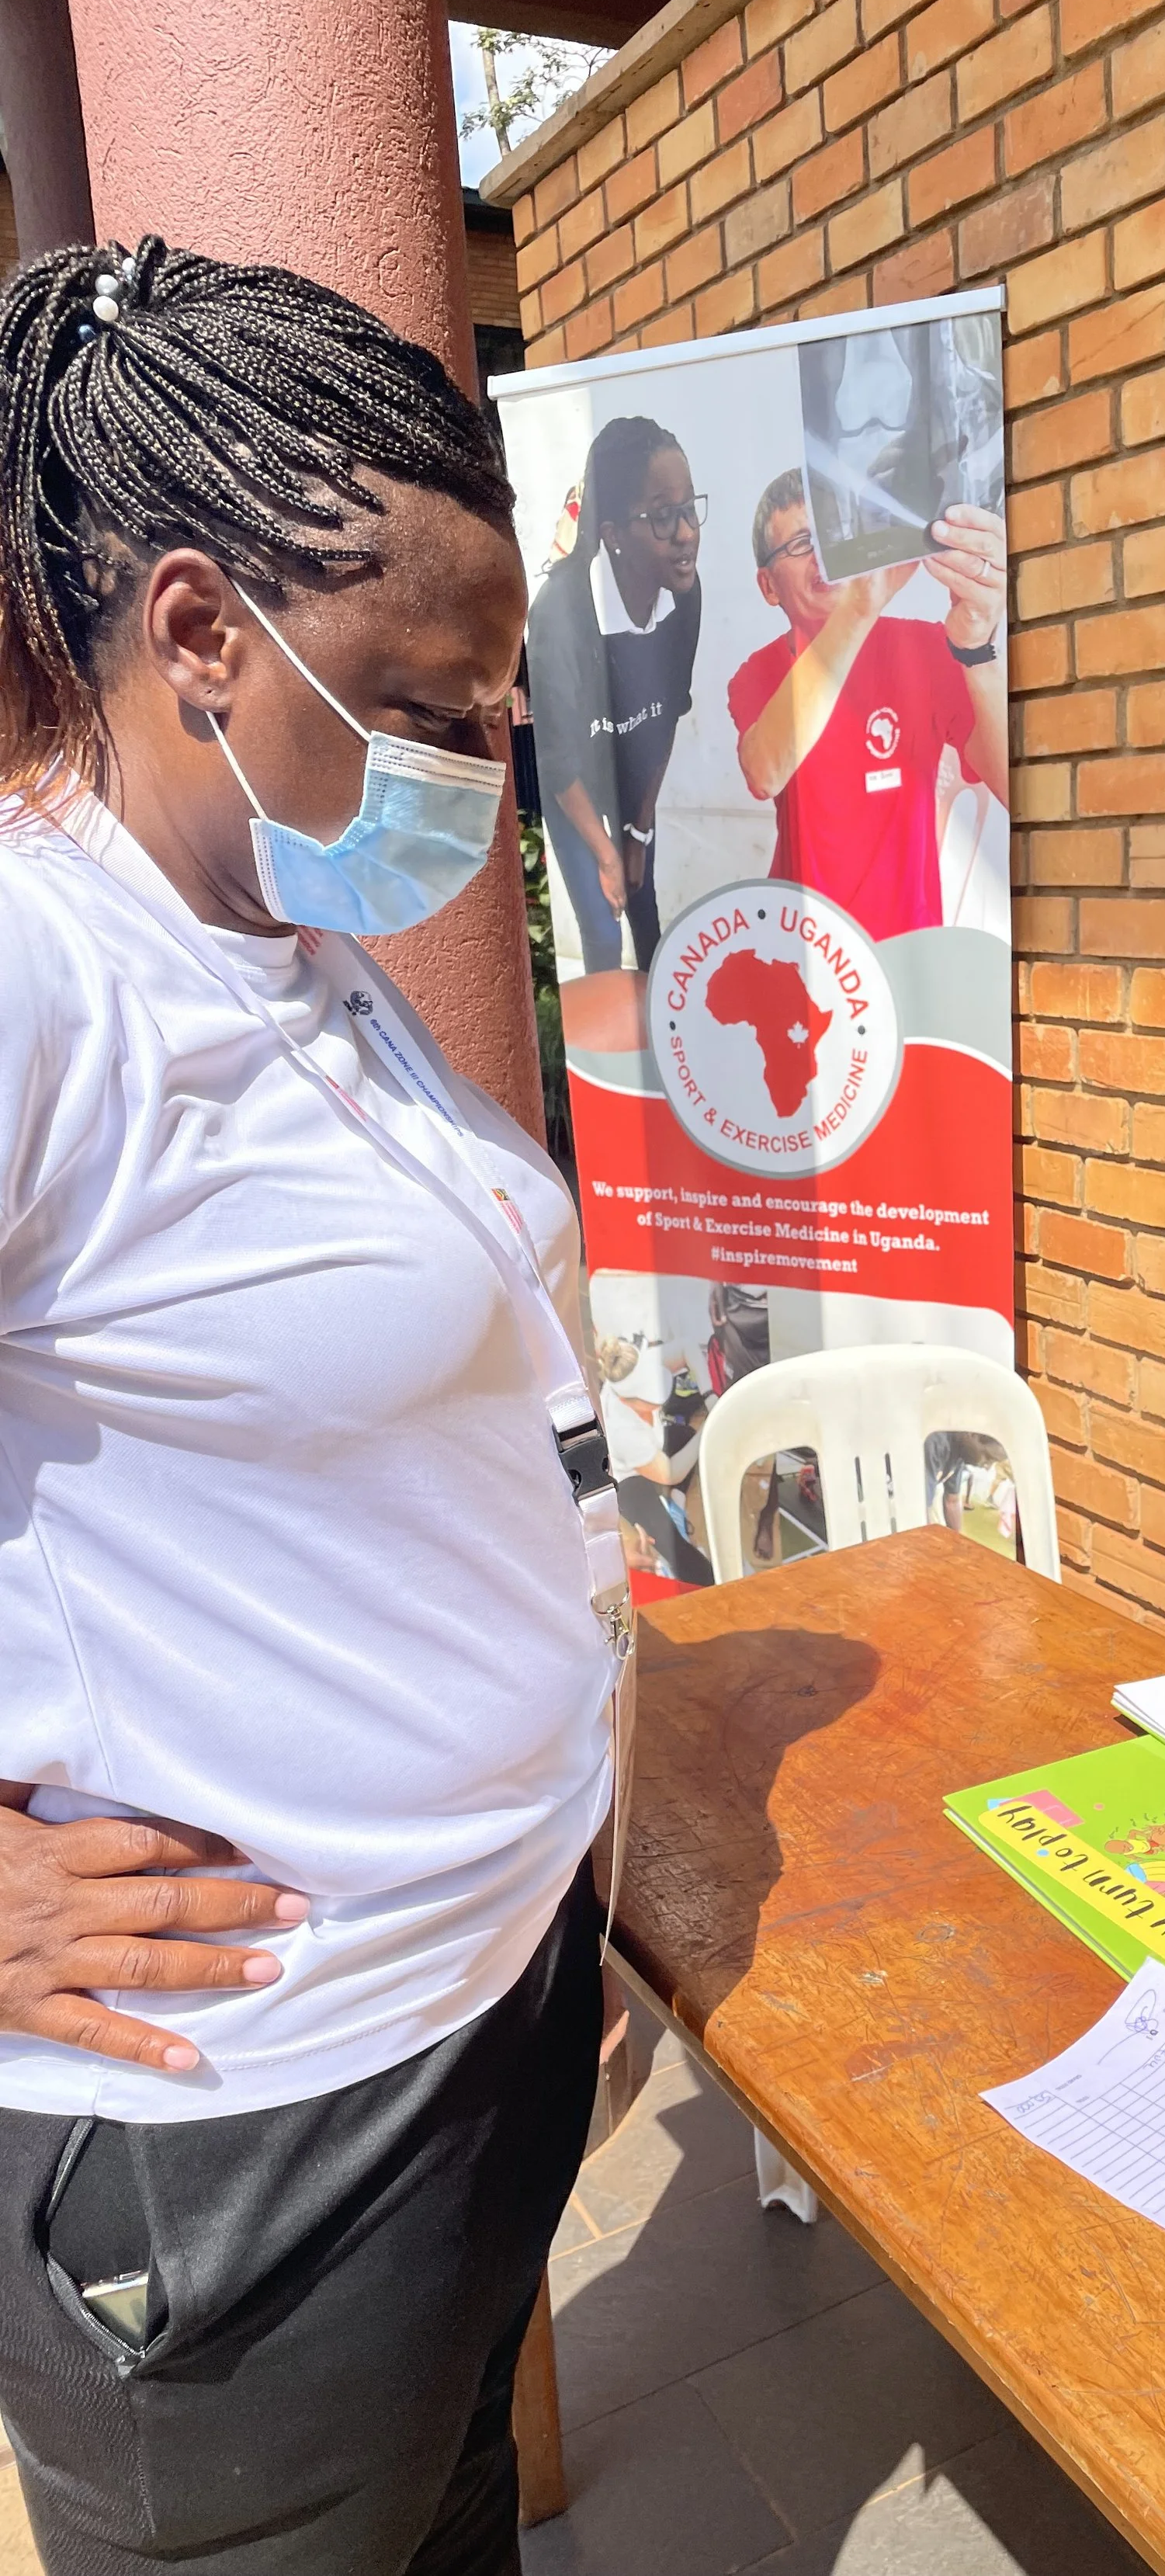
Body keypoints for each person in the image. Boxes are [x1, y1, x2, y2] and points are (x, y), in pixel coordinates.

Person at [0, 238, 630, 2573]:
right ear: (194, 634)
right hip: (244, 2130)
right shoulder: (38, 970)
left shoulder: (277, 940)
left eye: (488, 707)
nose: (475, 763)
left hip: (472, 2007)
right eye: (423, 698)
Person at [727, 468, 1007, 943]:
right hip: (804, 952)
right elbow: (764, 770)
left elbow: (1010, 784)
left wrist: (975, 645)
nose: (823, 555)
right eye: (799, 544)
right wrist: (860, 607)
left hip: (909, 951)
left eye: (834, 535)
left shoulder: (924, 648)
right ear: (768, 586)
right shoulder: (758, 673)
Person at [526, 412, 702, 973]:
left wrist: (638, 830)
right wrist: (605, 852)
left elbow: (668, 714)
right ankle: (609, 1057)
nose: (685, 533)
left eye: (689, 509)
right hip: (575, 782)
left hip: (630, 774)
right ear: (613, 536)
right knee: (604, 933)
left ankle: (657, 1043)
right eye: (661, 516)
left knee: (646, 906)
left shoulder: (686, 595)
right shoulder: (557, 616)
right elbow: (558, 764)